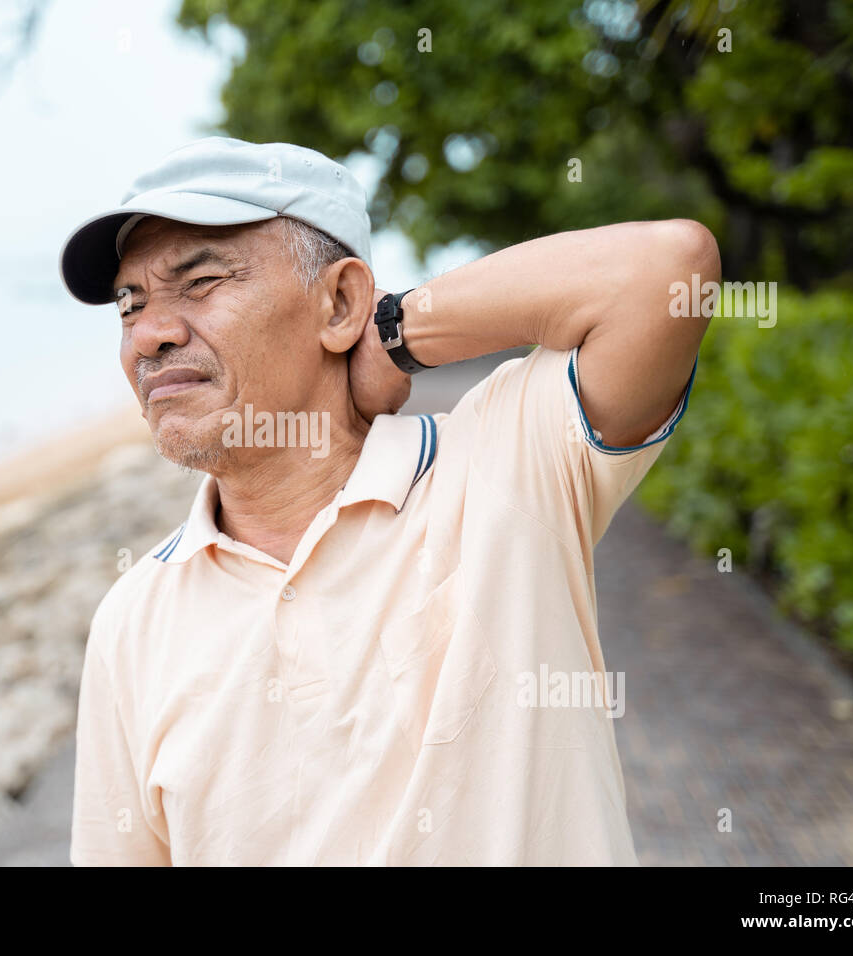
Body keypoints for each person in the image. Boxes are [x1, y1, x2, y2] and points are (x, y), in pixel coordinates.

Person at [58, 136, 717, 865]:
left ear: (340, 301)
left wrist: (395, 334)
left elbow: (668, 270)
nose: (149, 335)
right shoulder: (133, 621)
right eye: (130, 303)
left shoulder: (502, 469)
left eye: (202, 282)